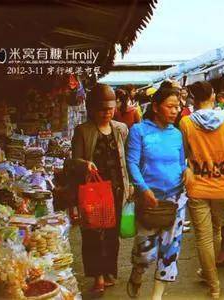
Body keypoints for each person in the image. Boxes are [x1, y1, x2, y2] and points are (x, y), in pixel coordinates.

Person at [126, 80, 191, 300]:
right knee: (146, 253)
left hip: (176, 200)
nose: (175, 111)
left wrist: (187, 170)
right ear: (155, 107)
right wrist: (142, 189)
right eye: (170, 106)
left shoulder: (177, 134)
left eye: (177, 107)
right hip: (148, 200)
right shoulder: (139, 131)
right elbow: (132, 163)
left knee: (170, 252)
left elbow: (182, 162)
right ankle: (137, 273)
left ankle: (157, 296)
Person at [179, 81, 224, 299]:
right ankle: (209, 275)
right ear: (213, 96)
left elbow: (183, 156)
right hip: (221, 186)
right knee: (216, 232)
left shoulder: (186, 123)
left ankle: (213, 284)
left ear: (193, 99)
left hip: (197, 185)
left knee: (203, 238)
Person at [69, 84, 133, 296]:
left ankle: (109, 271)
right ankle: (97, 276)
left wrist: (130, 184)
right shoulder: (83, 131)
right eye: (102, 109)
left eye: (110, 109)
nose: (107, 113)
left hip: (116, 188)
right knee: (93, 234)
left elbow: (127, 159)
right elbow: (72, 162)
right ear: (92, 109)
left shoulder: (121, 129)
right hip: (93, 191)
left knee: (112, 233)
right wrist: (84, 164)